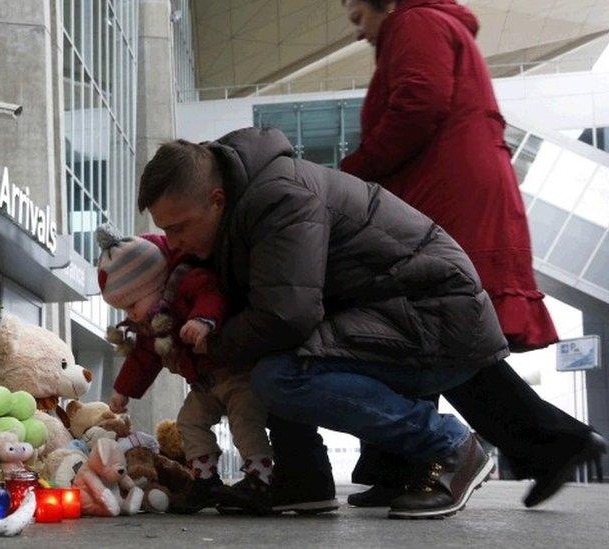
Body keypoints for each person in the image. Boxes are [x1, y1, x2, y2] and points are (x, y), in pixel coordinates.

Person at [138, 128, 504, 519]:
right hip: (408, 315)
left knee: (281, 376)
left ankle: (451, 445)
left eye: (178, 227)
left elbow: (286, 315)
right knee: (272, 359)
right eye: (164, 231)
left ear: (216, 200)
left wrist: (214, 345)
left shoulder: (278, 198)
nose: (172, 242)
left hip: (437, 318)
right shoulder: (246, 205)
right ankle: (302, 482)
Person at [339, 0, 605, 508]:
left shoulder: (413, 22)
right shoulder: (428, 24)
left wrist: (354, 172)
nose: (358, 33)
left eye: (359, 18)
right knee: (418, 329)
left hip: (447, 198)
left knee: (435, 329)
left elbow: (419, 102)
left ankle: (551, 441)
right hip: (451, 192)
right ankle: (401, 463)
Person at [94, 225, 278, 514]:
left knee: (245, 423)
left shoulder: (188, 280)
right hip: (204, 385)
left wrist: (203, 320)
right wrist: (122, 391)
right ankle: (205, 479)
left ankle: (260, 479)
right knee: (189, 422)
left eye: (132, 304)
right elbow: (143, 358)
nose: (130, 315)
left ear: (152, 283)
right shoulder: (151, 325)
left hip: (235, 374)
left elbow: (212, 294)